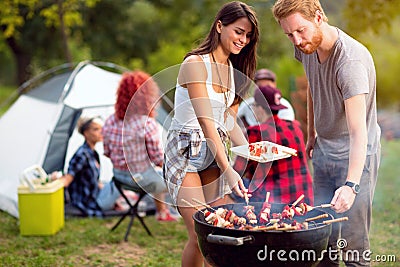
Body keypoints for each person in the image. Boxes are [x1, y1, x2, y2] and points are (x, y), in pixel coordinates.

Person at [272, 1, 381, 266]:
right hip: (324, 151)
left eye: (300, 31)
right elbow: (312, 84)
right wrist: (312, 133)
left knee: (353, 245)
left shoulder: (350, 63)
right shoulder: (307, 46)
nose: (296, 40)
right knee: (323, 237)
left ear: (319, 17)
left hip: (356, 158)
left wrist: (351, 185)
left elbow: (358, 133)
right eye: (289, 34)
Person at [163, 1, 259, 266]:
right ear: (219, 26)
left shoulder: (235, 73)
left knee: (220, 232)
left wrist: (254, 152)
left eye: (248, 35)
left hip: (214, 152)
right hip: (185, 152)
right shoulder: (196, 64)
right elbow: (206, 123)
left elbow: (226, 121)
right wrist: (228, 167)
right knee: (200, 233)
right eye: (239, 31)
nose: (244, 39)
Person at [102, 70, 179, 222]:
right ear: (146, 96)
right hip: (141, 180)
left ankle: (161, 212)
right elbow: (158, 159)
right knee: (177, 178)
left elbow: (107, 152)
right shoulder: (147, 124)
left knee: (153, 173)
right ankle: (174, 212)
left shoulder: (111, 121)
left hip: (118, 177)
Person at [233, 85, 313, 205]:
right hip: (304, 199)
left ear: (260, 108)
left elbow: (237, 172)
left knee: (234, 187)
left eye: (254, 106)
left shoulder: (255, 133)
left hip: (273, 204)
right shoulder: (295, 127)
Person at [54, 115, 121, 217]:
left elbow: (95, 181)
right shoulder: (82, 154)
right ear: (86, 133)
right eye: (96, 129)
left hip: (95, 195)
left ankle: (121, 199)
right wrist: (54, 179)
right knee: (120, 180)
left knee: (111, 183)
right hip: (89, 202)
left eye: (101, 129)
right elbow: (68, 179)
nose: (101, 132)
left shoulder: (93, 153)